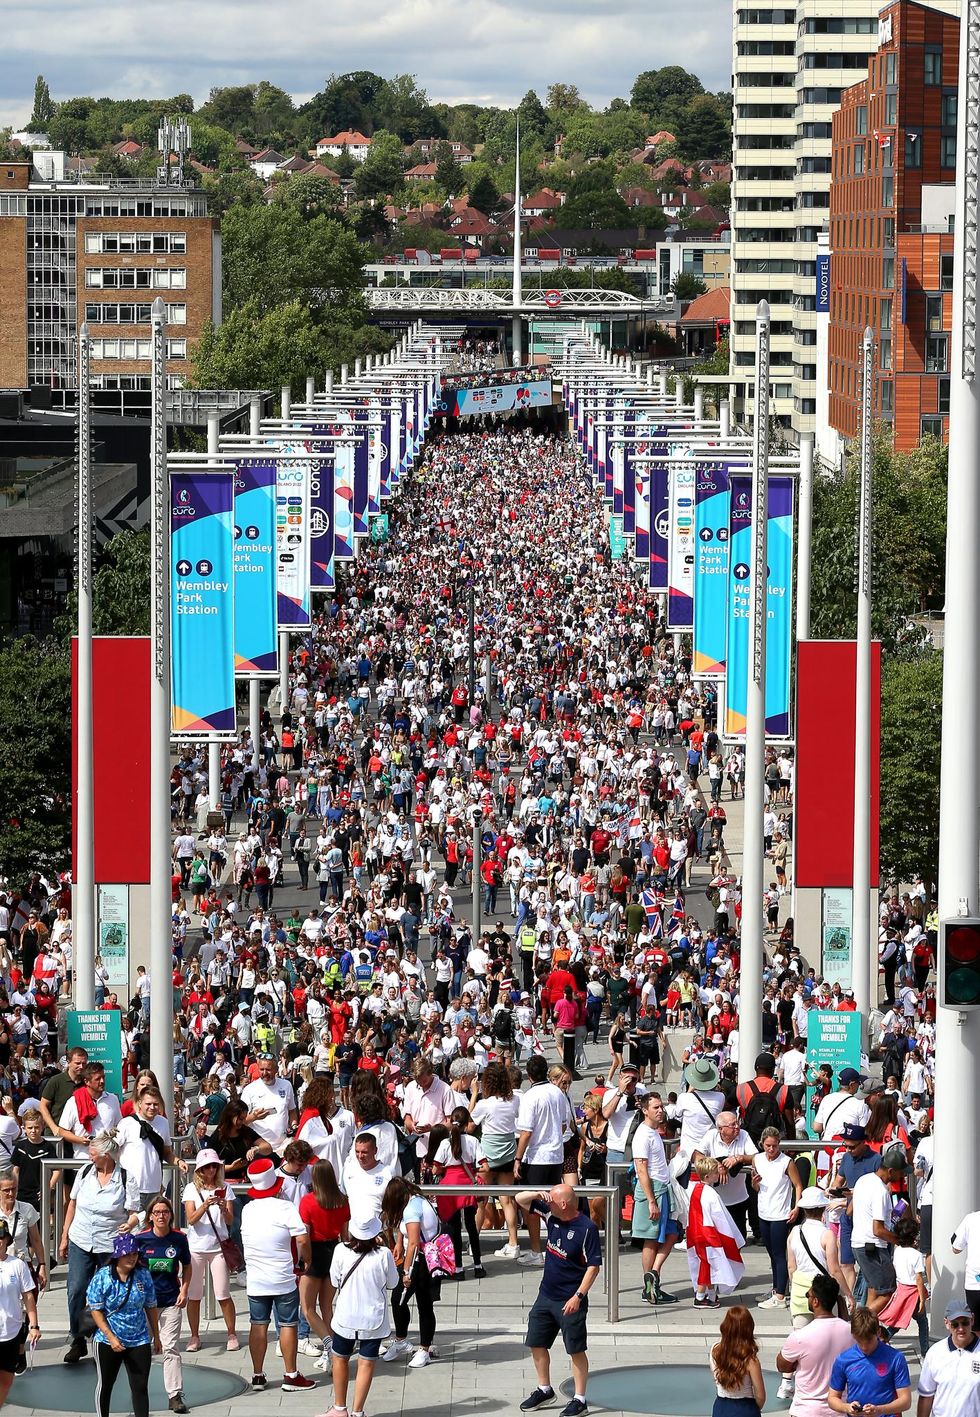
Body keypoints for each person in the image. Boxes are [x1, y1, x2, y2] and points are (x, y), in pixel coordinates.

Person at [515, 1182, 602, 1417]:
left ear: (564, 1203)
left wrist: (578, 1296)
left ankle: (580, 1399)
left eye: (552, 1199)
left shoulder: (586, 1228)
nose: (547, 1202)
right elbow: (519, 1199)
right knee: (536, 1342)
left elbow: (593, 1267)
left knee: (575, 1349)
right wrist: (537, 1193)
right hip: (546, 1295)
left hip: (570, 1299)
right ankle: (544, 1389)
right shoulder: (550, 1215)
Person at [59, 1128, 141, 1365]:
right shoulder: (85, 1172)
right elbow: (72, 1204)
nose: (89, 1156)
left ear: (106, 1155)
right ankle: (77, 1338)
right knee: (76, 1289)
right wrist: (64, 1236)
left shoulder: (125, 1177)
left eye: (92, 1153)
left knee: (109, 1292)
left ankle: (108, 1337)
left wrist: (129, 1223)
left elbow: (134, 1212)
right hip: (81, 1238)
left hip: (109, 1243)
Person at [240, 1156, 316, 1392]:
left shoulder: (248, 1209)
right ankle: (291, 1374)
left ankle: (258, 1375)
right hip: (282, 1277)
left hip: (256, 1278)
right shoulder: (285, 1207)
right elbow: (302, 1239)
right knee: (288, 1324)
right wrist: (306, 1260)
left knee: (258, 1324)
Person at [325, 1215, 399, 1417]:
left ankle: (339, 1408)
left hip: (346, 1316)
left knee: (340, 1358)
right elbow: (393, 1283)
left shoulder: (341, 1250)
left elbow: (334, 1280)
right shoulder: (383, 1254)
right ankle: (358, 1412)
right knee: (366, 1363)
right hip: (372, 1318)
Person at [86, 1233, 162, 1417]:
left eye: (134, 1253)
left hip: (139, 1338)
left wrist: (156, 1336)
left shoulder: (143, 1275)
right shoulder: (103, 1277)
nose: (132, 1257)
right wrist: (111, 1337)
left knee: (140, 1386)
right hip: (107, 1339)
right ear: (117, 1256)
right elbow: (96, 1310)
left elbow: (151, 1306)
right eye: (127, 1254)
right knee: (106, 1383)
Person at [136, 1195, 192, 1414]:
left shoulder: (178, 1239)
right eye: (157, 1212)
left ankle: (174, 1395)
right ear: (150, 1216)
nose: (161, 1216)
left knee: (170, 1347)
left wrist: (185, 1290)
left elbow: (187, 1266)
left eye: (165, 1212)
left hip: (170, 1301)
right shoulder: (141, 1239)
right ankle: (138, 1391)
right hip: (144, 1304)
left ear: (170, 1215)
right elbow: (126, 1265)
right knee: (141, 1348)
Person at [181, 1147, 239, 1351]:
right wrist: (205, 1205)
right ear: (200, 1170)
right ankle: (194, 1336)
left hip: (218, 1246)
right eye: (207, 1167)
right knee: (194, 1295)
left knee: (223, 1292)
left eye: (215, 1166)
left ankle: (231, 1334)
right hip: (196, 1247)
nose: (212, 1170)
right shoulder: (190, 1189)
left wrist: (223, 1208)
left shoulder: (225, 1188)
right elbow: (191, 1219)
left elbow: (230, 1220)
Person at [514, 1055, 570, 1266]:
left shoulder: (530, 1096)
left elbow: (526, 1132)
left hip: (537, 1156)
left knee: (532, 1205)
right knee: (552, 1203)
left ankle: (537, 1251)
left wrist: (518, 1158)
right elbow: (564, 1125)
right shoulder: (558, 1093)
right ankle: (554, 1248)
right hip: (555, 1155)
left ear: (529, 1076)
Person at [380, 1175, 440, 1369]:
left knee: (424, 1304)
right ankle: (401, 1339)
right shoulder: (414, 1199)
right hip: (415, 1257)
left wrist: (406, 1272)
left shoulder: (411, 1209)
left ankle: (424, 1348)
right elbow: (404, 1231)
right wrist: (398, 1243)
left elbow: (414, 1242)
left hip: (422, 1261)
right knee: (398, 1299)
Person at [298, 1158, 350, 1369]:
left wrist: (305, 1260)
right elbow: (345, 1235)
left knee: (308, 1308)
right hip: (335, 1250)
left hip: (315, 1252)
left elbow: (304, 1236)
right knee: (327, 1306)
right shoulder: (342, 1201)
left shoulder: (308, 1201)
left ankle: (329, 1347)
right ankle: (333, 1349)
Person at [776, 1273, 852, 1417]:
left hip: (806, 1410)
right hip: (839, 1410)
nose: (808, 1298)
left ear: (816, 1302)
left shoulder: (799, 1337)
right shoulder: (851, 1333)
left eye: (808, 1295)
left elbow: (782, 1366)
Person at [630, 1092, 679, 1305]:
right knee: (650, 1238)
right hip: (653, 1191)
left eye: (661, 1107)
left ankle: (653, 1274)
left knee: (671, 1232)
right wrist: (651, 1200)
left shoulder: (653, 1132)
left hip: (663, 1188)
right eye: (656, 1108)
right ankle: (649, 1285)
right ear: (645, 1110)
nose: (660, 1111)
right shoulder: (643, 1134)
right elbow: (641, 1169)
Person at [850, 1144, 909, 1315]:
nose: (903, 1175)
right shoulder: (881, 1192)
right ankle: (859, 1326)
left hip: (859, 1243)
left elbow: (851, 1209)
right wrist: (900, 1241)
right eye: (901, 1171)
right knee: (888, 1292)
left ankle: (869, 1333)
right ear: (891, 1171)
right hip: (873, 1247)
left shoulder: (864, 1180)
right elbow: (878, 1230)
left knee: (873, 1289)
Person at [752, 1126, 803, 1308]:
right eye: (767, 1145)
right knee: (772, 1254)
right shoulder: (757, 1159)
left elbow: (798, 1185)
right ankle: (777, 1288)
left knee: (780, 1254)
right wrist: (754, 1183)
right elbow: (757, 1187)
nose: (771, 1149)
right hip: (763, 1211)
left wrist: (796, 1207)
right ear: (762, 1144)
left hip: (780, 1213)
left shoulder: (787, 1162)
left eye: (774, 1146)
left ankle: (780, 1296)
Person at [827, 1305, 911, 1415]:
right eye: (859, 1341)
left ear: (878, 1333)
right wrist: (846, 1407)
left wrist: (879, 1410)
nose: (864, 1347)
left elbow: (906, 1401)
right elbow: (832, 1398)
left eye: (869, 1341)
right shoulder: (843, 1360)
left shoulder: (895, 1358)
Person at [687, 1156, 746, 1307]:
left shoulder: (697, 1190)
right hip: (708, 1235)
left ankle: (711, 1295)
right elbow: (720, 1217)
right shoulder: (711, 1193)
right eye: (715, 1172)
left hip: (698, 1234)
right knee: (707, 1265)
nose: (717, 1174)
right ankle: (700, 1296)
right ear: (708, 1176)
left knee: (707, 1264)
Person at [0, 1219, 40, 1408]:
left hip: (11, 1333)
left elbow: (28, 1297)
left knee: (6, 1381)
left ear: (7, 1239)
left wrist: (34, 1325)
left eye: (1, 1237)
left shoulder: (17, 1265)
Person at [917, 1299, 980, 1417]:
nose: (961, 1329)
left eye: (965, 1322)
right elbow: (926, 1396)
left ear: (972, 1320)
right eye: (955, 1324)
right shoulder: (935, 1353)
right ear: (946, 1323)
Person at [709, 1306, 766, 1416]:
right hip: (745, 1407)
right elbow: (760, 1396)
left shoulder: (714, 1350)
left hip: (721, 1406)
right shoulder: (750, 1360)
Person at [952, 1205, 980, 1329]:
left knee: (975, 1327)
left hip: (974, 1281)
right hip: (974, 1281)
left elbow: (956, 1247)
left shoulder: (971, 1219)